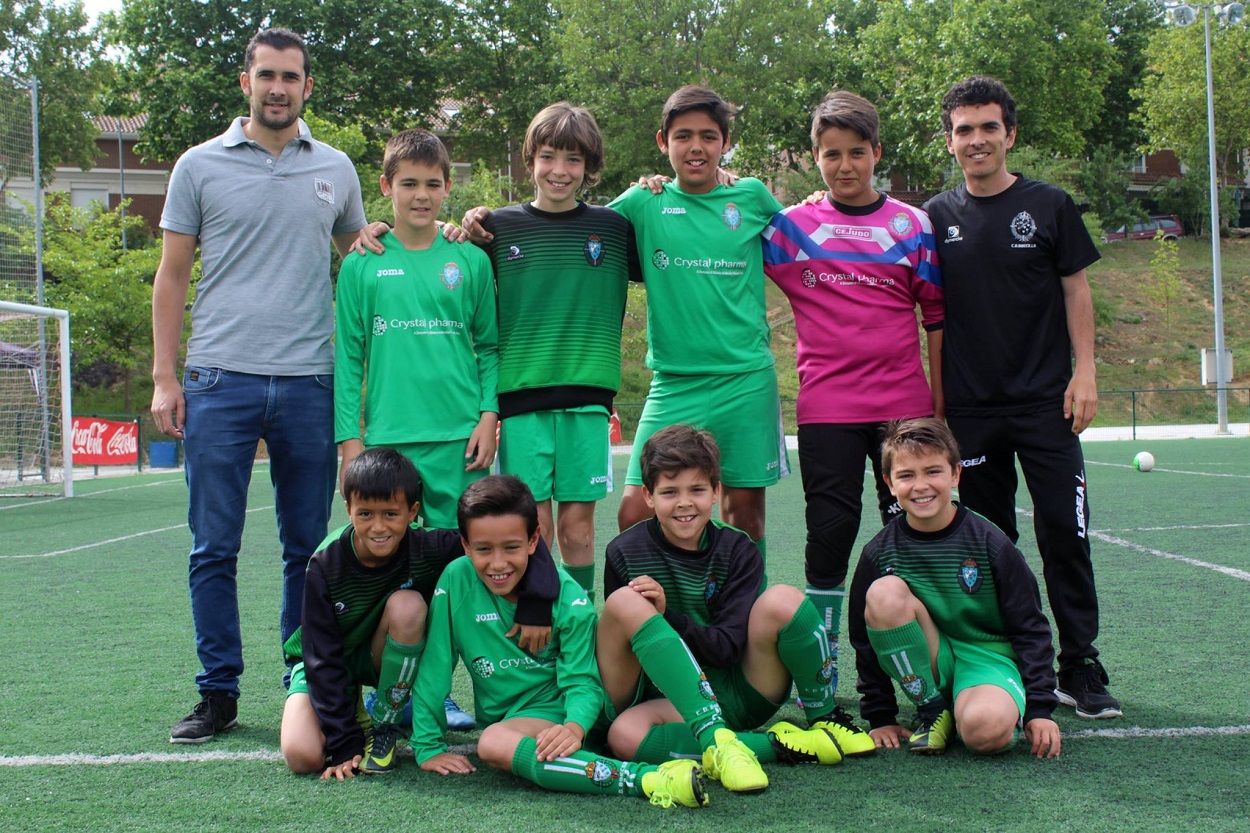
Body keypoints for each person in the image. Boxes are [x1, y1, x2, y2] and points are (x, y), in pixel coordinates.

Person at [151, 27, 366, 744]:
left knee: (307, 548)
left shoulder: (336, 167)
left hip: (311, 381)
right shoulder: (198, 166)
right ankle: (218, 693)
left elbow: (365, 263)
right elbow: (173, 276)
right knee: (212, 545)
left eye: (292, 77)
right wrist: (163, 375)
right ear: (245, 81)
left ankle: (300, 681)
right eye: (267, 74)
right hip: (218, 380)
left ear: (309, 86)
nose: (279, 87)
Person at [922, 75, 1120, 719]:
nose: (976, 140)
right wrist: (940, 406)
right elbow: (931, 316)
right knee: (990, 542)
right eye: (963, 130)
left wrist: (1084, 371)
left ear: (1009, 133)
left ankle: (1081, 665)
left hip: (1046, 404)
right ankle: (1004, 661)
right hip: (972, 412)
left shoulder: (1051, 205)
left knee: (1066, 530)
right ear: (950, 141)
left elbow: (1076, 292)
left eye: (987, 128)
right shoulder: (935, 215)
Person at [761, 90, 944, 698]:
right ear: (815, 157)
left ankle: (921, 679)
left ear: (877, 153)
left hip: (903, 410)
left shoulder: (912, 226)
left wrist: (937, 411)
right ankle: (824, 671)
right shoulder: (790, 229)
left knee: (912, 540)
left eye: (856, 153)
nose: (845, 166)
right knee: (830, 538)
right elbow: (717, 232)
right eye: (831, 154)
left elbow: (936, 321)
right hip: (828, 409)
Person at [599, 424, 878, 789]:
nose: (684, 503)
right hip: (671, 699)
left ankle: (825, 718)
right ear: (648, 496)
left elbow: (728, 648)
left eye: (697, 489)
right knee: (624, 737)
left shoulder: (737, 549)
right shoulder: (623, 552)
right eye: (669, 492)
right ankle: (774, 745)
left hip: (738, 690)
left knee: (783, 600)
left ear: (716, 492)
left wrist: (667, 615)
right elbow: (625, 649)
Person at [410, 475, 710, 809]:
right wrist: (427, 745)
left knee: (493, 742)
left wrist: (574, 726)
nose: (497, 563)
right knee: (495, 739)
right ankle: (665, 776)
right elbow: (436, 665)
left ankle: (646, 777)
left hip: (575, 710)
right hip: (525, 716)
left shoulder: (567, 597)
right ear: (465, 546)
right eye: (483, 549)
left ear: (533, 539)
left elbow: (582, 679)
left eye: (511, 547)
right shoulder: (455, 579)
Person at [278, 448, 557, 779]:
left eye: (390, 514)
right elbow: (320, 656)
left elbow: (520, 539)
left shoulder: (428, 546)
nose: (378, 527)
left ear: (412, 512)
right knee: (302, 756)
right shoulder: (325, 564)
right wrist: (344, 743)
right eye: (365, 514)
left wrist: (536, 604)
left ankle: (384, 725)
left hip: (381, 656)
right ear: (348, 509)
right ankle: (353, 717)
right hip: (323, 662)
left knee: (409, 605)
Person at [463, 102, 639, 600]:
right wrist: (463, 225)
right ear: (529, 159)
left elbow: (674, 221)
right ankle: (540, 620)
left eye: (573, 160)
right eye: (547, 157)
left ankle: (579, 624)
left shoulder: (614, 227)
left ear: (588, 166)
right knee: (532, 529)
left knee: (579, 531)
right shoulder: (495, 228)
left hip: (587, 401)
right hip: (521, 404)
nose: (559, 170)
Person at [606, 87, 787, 557]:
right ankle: (649, 614)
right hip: (674, 383)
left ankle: (744, 623)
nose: (696, 147)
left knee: (744, 516)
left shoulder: (749, 196)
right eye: (683, 136)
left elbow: (805, 242)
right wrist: (483, 226)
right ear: (663, 142)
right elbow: (570, 231)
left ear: (725, 143)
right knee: (634, 511)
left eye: (709, 136)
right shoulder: (643, 201)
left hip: (746, 381)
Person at [846, 418, 1062, 759]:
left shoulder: (990, 542)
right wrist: (880, 716)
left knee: (983, 732)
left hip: (988, 659)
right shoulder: (879, 552)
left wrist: (1039, 708)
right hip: (931, 659)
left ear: (956, 475)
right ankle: (932, 709)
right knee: (883, 593)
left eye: (933, 471)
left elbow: (1031, 627)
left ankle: (986, 706)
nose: (920, 486)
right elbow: (863, 638)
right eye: (906, 475)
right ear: (888, 483)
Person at [335, 128, 498, 533]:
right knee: (387, 554)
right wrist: (349, 443)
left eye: (432, 184)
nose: (421, 195)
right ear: (387, 186)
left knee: (460, 551)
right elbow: (349, 359)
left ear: (447, 187)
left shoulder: (471, 260)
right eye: (408, 183)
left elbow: (491, 348)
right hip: (388, 437)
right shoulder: (361, 263)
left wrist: (488, 418)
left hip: (461, 438)